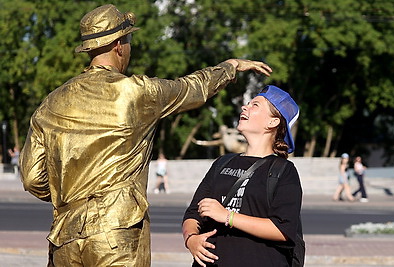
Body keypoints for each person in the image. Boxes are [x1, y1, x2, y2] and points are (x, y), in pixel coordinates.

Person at [18, 4, 272, 267]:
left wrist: (68, 192)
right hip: (117, 234)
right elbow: (192, 88)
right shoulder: (136, 92)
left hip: (65, 238)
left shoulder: (51, 103)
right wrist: (230, 66)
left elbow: (32, 178)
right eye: (129, 41)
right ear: (119, 45)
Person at [182, 85, 302, 266]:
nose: (245, 107)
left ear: (273, 122)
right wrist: (191, 239)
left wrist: (228, 216)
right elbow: (193, 213)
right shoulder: (222, 163)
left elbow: (282, 229)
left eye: (255, 105)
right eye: (247, 103)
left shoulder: (284, 170)